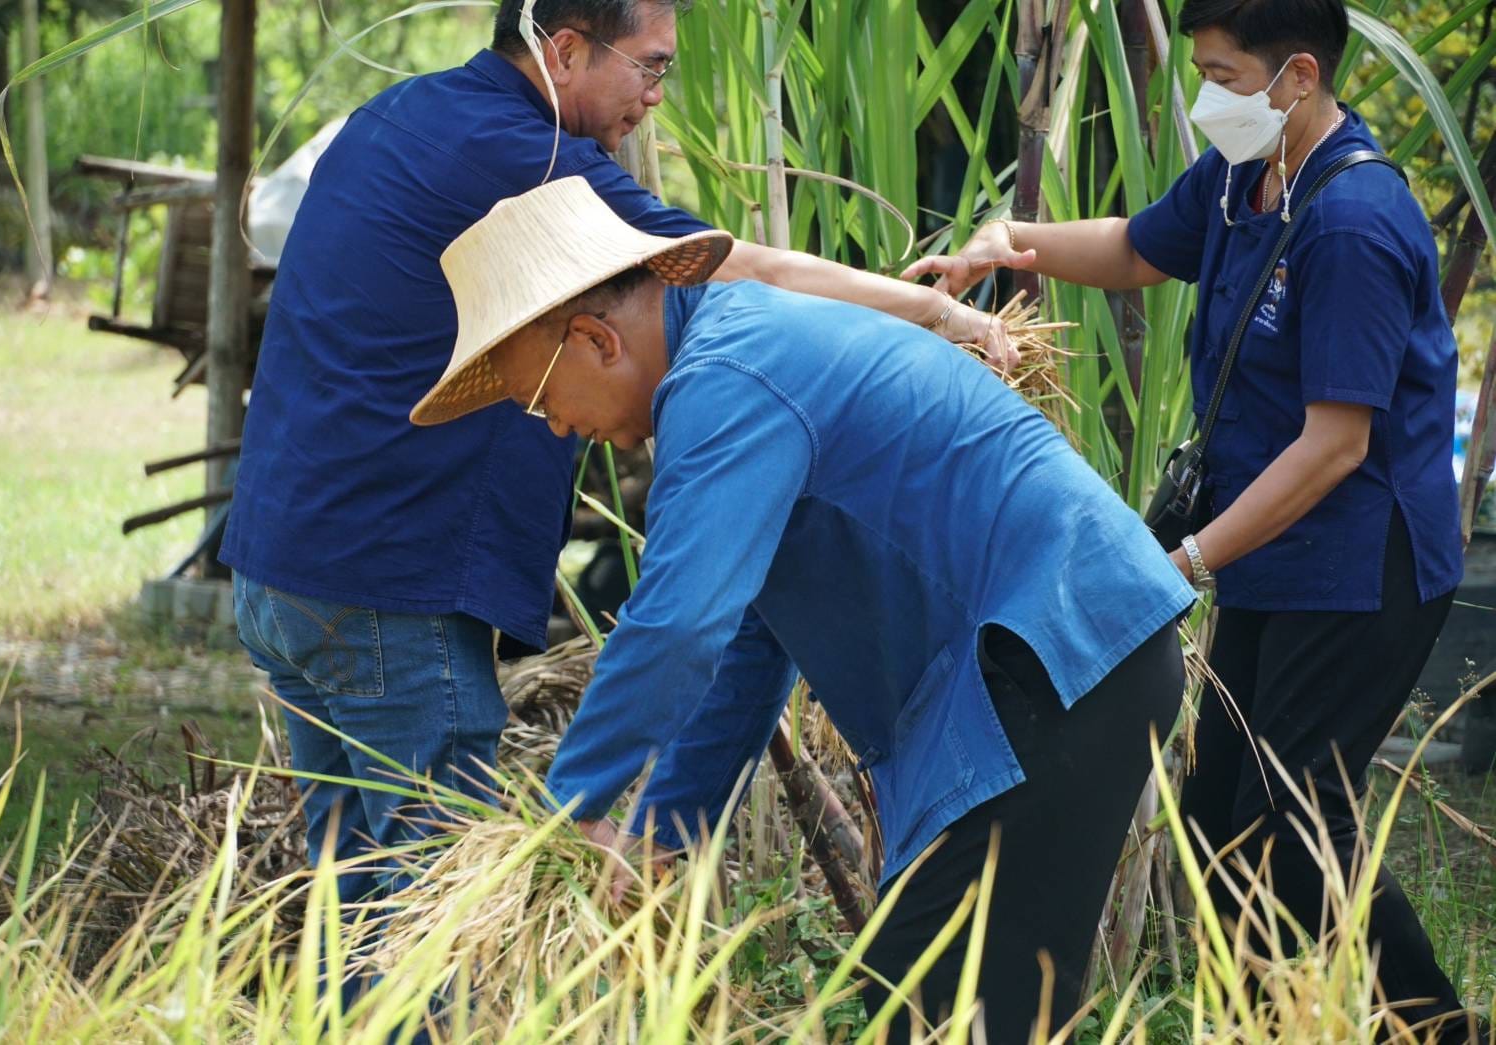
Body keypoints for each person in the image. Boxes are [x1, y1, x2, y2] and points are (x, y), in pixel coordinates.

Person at [220, 0, 1013, 910]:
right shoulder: (537, 162)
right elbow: (733, 269)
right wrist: (941, 313)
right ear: (563, 50)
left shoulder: (400, 113)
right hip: (387, 585)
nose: (656, 99)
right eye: (648, 66)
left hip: (283, 564)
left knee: (355, 900)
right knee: (421, 926)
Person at [413, 175, 1195, 1041]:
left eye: (537, 399)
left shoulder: (727, 378)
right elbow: (748, 646)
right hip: (1060, 665)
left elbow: (675, 626)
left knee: (932, 1008)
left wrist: (563, 819)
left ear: (596, 339)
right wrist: (664, 833)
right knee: (952, 1003)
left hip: (1057, 656)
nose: (554, 428)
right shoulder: (734, 359)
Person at [907, 0, 1473, 1036]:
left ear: (1296, 77)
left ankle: (1432, 1021)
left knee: (1299, 830)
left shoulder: (1351, 221)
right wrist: (1009, 245)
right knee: (1218, 822)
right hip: (1270, 552)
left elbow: (1335, 444)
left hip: (1359, 570)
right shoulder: (1240, 178)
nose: (1203, 96)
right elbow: (1132, 246)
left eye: (1221, 73)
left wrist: (1188, 557)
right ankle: (1246, 1016)